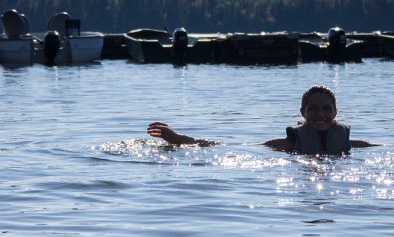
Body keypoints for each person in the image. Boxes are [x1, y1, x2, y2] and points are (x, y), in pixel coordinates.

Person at [147, 85, 378, 155]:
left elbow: (376, 147)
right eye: (314, 109)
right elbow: (232, 147)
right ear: (302, 112)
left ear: (336, 113)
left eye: (327, 109)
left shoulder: (349, 142)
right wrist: (179, 139)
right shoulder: (290, 143)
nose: (321, 114)